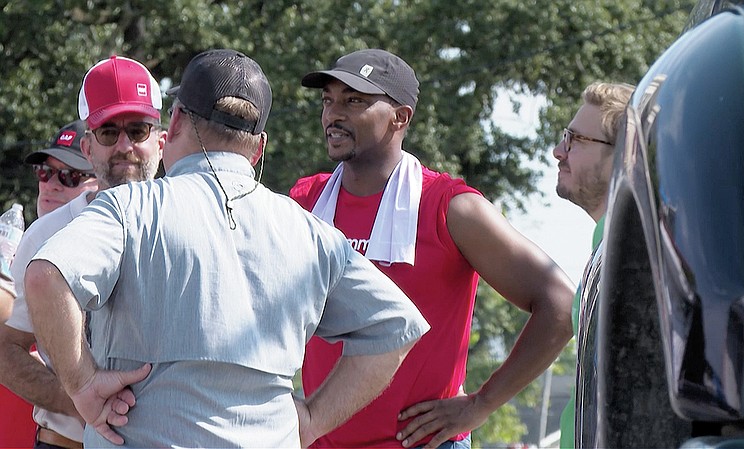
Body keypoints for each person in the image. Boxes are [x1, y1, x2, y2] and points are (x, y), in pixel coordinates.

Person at [23, 49, 429, 448]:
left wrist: (84, 385)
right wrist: (311, 420)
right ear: (259, 147)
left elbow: (46, 275)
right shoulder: (311, 233)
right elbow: (396, 326)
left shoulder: (131, 208)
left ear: (176, 121)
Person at [290, 48, 575, 448]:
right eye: (328, 100)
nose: (333, 114)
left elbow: (561, 305)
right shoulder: (305, 200)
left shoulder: (450, 207)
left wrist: (481, 404)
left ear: (400, 117)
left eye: (354, 100)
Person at [0, 55, 165, 449]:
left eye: (137, 130)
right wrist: (77, 398)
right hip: (66, 442)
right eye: (108, 132)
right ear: (88, 147)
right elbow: (6, 349)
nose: (124, 146)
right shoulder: (46, 234)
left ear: (160, 141)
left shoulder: (193, 222)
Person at [0, 119, 100, 449]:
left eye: (69, 175)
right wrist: (76, 399)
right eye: (45, 172)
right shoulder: (27, 240)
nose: (51, 185)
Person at [552, 81, 634, 449]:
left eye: (575, 141)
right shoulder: (610, 242)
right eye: (563, 137)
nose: (558, 151)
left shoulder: (634, 255)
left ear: (624, 154)